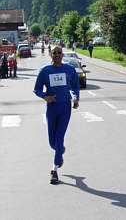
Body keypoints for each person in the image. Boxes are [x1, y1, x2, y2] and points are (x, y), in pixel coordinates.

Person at [34, 45, 80, 185]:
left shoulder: (69, 70)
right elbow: (37, 89)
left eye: (60, 53)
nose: (57, 55)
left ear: (63, 55)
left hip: (65, 107)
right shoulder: (45, 71)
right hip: (52, 108)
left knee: (59, 137)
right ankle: (59, 151)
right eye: (55, 53)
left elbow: (75, 86)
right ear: (50, 55)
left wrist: (76, 97)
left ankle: (54, 170)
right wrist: (45, 97)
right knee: (52, 142)